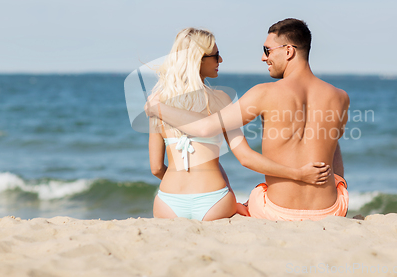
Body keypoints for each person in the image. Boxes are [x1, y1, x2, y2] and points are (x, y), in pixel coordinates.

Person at [146, 19, 350, 221]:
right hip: (330, 212)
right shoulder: (340, 97)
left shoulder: (262, 93)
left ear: (288, 51)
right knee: (330, 140)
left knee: (256, 195)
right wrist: (335, 181)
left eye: (267, 50)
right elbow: (333, 145)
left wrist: (156, 108)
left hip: (276, 211)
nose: (263, 57)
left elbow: (205, 131)